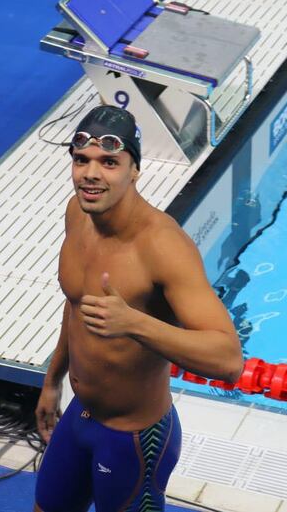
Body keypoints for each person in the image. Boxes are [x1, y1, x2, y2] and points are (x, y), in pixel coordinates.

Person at [34, 105, 243, 512]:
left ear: (135, 170)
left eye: (109, 162)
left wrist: (134, 323)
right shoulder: (78, 212)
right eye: (81, 160)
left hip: (133, 440)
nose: (91, 174)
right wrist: (52, 380)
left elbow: (229, 360)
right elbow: (77, 306)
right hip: (80, 416)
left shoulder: (162, 247)